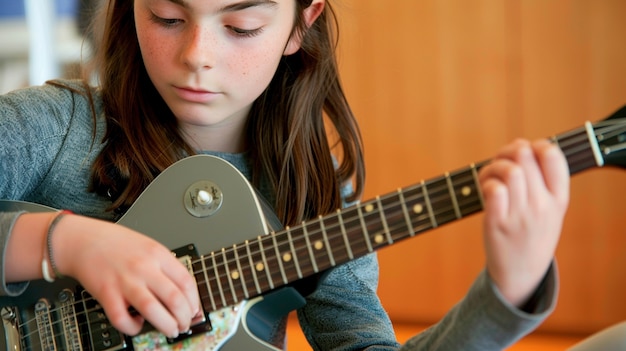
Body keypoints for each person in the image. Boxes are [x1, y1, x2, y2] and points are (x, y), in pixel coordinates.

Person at [0, 0, 570, 350]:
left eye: (242, 25)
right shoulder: (57, 123)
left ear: (302, 22)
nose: (198, 54)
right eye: (168, 17)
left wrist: (505, 295)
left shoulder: (317, 198)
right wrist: (62, 243)